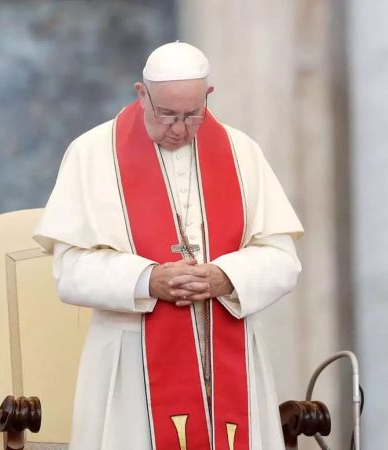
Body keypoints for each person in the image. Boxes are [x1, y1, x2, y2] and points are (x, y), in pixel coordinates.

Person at [33, 42, 304, 450]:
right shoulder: (92, 154)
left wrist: (225, 276)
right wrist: (148, 279)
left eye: (192, 115)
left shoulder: (242, 153)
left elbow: (282, 259)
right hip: (132, 364)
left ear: (208, 98)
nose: (179, 128)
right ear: (142, 94)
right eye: (167, 115)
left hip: (228, 359)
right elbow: (69, 271)